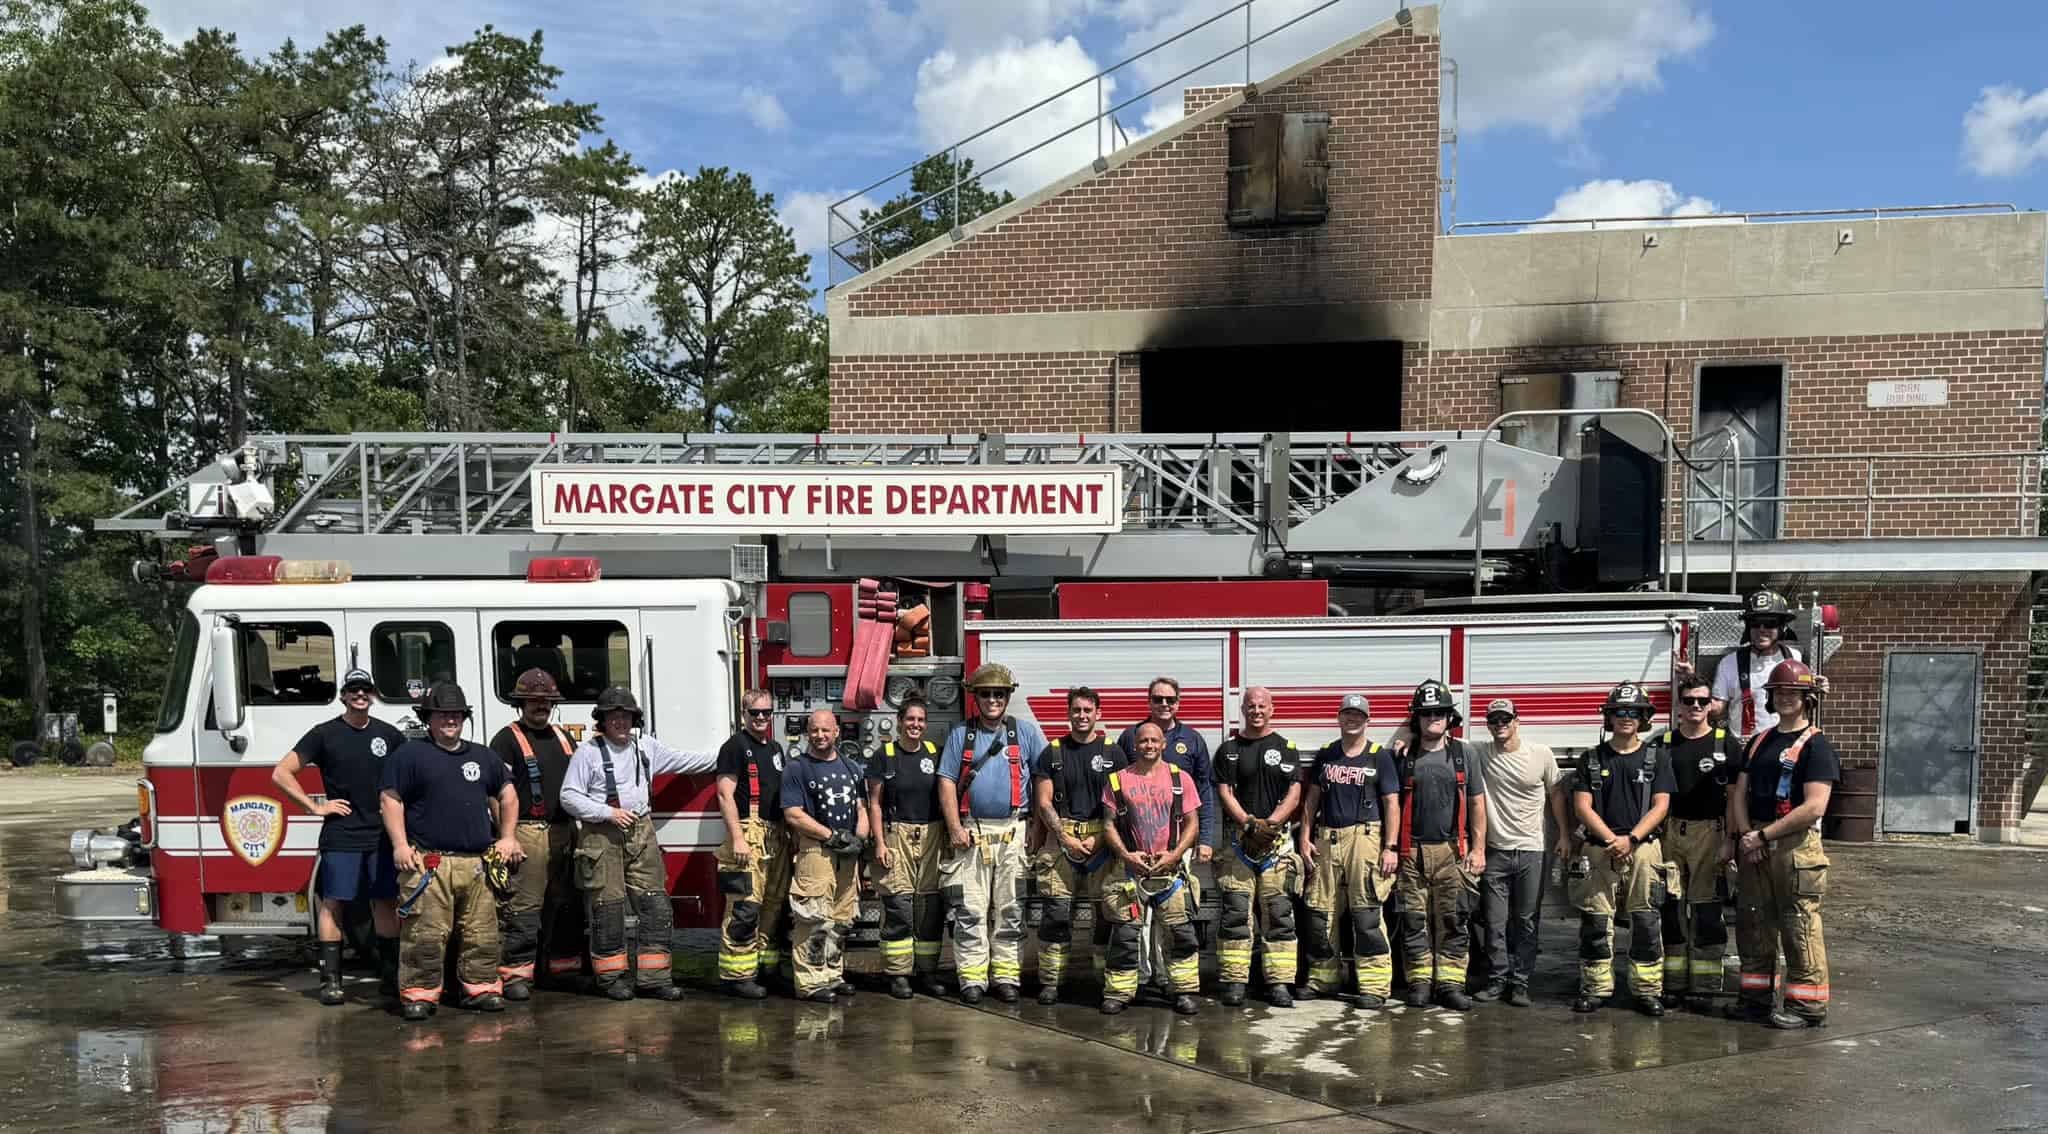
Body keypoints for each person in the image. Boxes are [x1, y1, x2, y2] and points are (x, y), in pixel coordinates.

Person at [558, 686, 715, 1002]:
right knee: (608, 909)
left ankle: (654, 979)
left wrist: (728, 755)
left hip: (641, 832)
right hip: (601, 834)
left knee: (656, 906)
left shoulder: (646, 747)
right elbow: (568, 796)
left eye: (625, 716)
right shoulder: (587, 754)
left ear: (634, 719)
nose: (620, 721)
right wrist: (608, 812)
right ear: (602, 720)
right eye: (613, 716)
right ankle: (611, 979)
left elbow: (688, 761)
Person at [377, 682, 522, 1021]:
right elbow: (390, 799)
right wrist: (399, 844)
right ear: (428, 718)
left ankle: (481, 989)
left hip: (477, 865)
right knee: (425, 934)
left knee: (482, 933)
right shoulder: (410, 756)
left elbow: (508, 795)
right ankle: (419, 995)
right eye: (442, 714)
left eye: (456, 714)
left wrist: (508, 837)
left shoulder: (483, 756)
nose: (450, 720)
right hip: (430, 863)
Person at [270, 668, 407, 1006]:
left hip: (380, 834)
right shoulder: (324, 734)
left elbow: (409, 778)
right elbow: (281, 772)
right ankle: (331, 981)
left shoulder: (389, 735)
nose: (360, 695)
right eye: (353, 690)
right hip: (342, 833)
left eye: (366, 690)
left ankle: (391, 979)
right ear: (343, 695)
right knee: (334, 903)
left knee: (386, 903)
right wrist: (314, 807)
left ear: (373, 695)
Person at [1727, 658, 1839, 1030]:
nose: (1786, 698)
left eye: (1794, 692)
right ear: (1770, 698)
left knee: (1798, 925)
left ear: (1808, 698)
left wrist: (1763, 836)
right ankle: (1755, 1000)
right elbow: (1739, 793)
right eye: (1779, 692)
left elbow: (1814, 806)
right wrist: (1747, 835)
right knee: (1753, 922)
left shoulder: (1817, 746)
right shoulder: (1759, 741)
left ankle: (1807, 1006)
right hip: (1755, 840)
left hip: (1793, 847)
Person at [937, 663, 1049, 1004]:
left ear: (1008, 696)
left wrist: (1038, 829)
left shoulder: (1026, 733)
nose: (992, 700)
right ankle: (972, 977)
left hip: (1014, 832)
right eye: (985, 694)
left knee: (1011, 909)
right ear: (975, 698)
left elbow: (1045, 781)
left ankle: (1006, 976)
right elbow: (945, 781)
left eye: (999, 694)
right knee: (969, 909)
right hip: (972, 834)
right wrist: (955, 826)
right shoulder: (961, 735)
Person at [1568, 682, 1675, 1017]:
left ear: (1643, 718)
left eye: (1633, 712)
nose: (1625, 718)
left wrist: (1631, 839)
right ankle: (1596, 988)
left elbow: (1661, 806)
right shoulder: (1591, 759)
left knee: (1646, 921)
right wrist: (1613, 841)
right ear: (1608, 718)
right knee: (1596, 921)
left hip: (1643, 849)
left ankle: (1646, 991)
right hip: (1599, 850)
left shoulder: (1658, 758)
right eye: (1619, 713)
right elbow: (1582, 806)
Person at [1296, 693, 1401, 1008]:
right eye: (1347, 714)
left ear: (1367, 720)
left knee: (1366, 912)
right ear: (1339, 718)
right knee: (1320, 911)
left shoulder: (1379, 756)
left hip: (1365, 838)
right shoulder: (1328, 754)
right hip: (1327, 838)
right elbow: (1311, 798)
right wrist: (1304, 835)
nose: (1352, 719)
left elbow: (1391, 803)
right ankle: (1323, 979)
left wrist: (1390, 847)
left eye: (1359, 714)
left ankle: (1374, 986)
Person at [485, 668, 585, 999]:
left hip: (564, 831)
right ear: (521, 704)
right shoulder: (506, 739)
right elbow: (496, 794)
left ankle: (558, 969)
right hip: (527, 831)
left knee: (564, 903)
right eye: (533, 701)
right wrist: (506, 836)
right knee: (524, 907)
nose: (540, 706)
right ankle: (516, 976)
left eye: (546, 701)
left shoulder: (563, 737)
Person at [1467, 699, 1567, 1007]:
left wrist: (1564, 834)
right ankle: (1497, 979)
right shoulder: (1480, 752)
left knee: (1526, 920)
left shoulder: (1541, 755)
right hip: (1495, 852)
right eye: (1494, 720)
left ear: (1517, 721)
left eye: (1505, 719)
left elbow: (1556, 794)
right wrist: (1404, 735)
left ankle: (1520, 983)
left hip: (1532, 851)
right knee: (1495, 922)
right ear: (1488, 724)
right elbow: (1440, 736)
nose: (1500, 724)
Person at [1394, 680, 1487, 1010]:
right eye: (1426, 713)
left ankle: (1450, 984)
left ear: (1450, 717)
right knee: (1413, 919)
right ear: (1416, 718)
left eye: (1439, 713)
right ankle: (1419, 981)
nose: (1433, 718)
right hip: (1411, 853)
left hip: (1453, 851)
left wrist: (1479, 849)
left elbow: (1476, 803)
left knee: (1454, 918)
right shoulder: (1402, 755)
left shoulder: (1465, 754)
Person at [1099, 721, 1203, 1016]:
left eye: (1154, 740)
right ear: (1134, 745)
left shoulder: (1181, 779)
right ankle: (1119, 992)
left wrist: (1175, 855)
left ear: (1163, 744)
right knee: (1125, 935)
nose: (1148, 745)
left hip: (1169, 871)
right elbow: (1108, 824)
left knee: (1180, 932)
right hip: (1130, 871)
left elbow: (1193, 822)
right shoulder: (1117, 780)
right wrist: (1125, 855)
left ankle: (1181, 991)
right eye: (1143, 740)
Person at [1030, 687, 1127, 1005]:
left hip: (1104, 838)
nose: (1082, 716)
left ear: (1098, 713)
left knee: (1106, 912)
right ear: (1068, 713)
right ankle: (1051, 982)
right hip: (1064, 838)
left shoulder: (1113, 753)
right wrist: (1064, 837)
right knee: (1056, 913)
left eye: (1088, 710)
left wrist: (1100, 838)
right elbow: (1043, 803)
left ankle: (1103, 979)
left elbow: (1121, 802)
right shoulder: (1053, 753)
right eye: (1076, 710)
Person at [1656, 670, 1744, 1011]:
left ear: (1711, 705)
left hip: (1712, 832)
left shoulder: (1726, 742)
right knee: (1670, 908)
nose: (1695, 706)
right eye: (1689, 701)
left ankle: (1705, 986)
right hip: (1670, 832)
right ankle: (1674, 983)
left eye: (1702, 701)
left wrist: (1731, 840)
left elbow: (1737, 794)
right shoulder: (1663, 744)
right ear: (1679, 705)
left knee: (1706, 908)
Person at [1214, 686, 1306, 1008]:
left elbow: (1295, 792)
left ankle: (1279, 983)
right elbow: (1224, 792)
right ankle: (1234, 981)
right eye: (1250, 706)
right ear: (1243, 709)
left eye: (1262, 706)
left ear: (1272, 709)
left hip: (1276, 845)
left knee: (1279, 913)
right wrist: (1249, 824)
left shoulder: (1286, 747)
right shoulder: (1228, 749)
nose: (1256, 711)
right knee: (1236, 912)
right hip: (1239, 844)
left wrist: (1271, 825)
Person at [782, 710, 870, 1004]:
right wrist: (830, 836)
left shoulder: (853, 768)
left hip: (847, 855)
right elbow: (793, 814)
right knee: (813, 918)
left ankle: (833, 973)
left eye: (826, 730)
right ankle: (810, 982)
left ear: (837, 733)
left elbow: (861, 809)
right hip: (816, 851)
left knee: (842, 919)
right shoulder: (797, 768)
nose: (820, 735)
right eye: (815, 730)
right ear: (808, 733)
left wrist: (859, 838)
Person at [714, 689, 792, 1000]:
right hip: (749, 833)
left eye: (766, 712)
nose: (761, 718)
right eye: (754, 713)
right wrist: (737, 838)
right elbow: (724, 794)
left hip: (775, 835)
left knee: (773, 906)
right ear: (743, 714)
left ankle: (765, 969)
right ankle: (736, 976)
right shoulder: (734, 747)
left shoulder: (774, 748)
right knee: (744, 907)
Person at [869, 696, 948, 999]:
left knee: (929, 907)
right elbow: (874, 804)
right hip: (896, 834)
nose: (916, 725)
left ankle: (927, 972)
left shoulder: (934, 753)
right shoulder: (884, 756)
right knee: (899, 905)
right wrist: (879, 842)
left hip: (931, 835)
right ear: (900, 721)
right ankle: (899, 975)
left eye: (921, 720)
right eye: (910, 719)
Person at [1116, 677, 1217, 867]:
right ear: (1149, 702)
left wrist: (1205, 839)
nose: (1164, 704)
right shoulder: (1130, 737)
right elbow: (1115, 791)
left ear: (1178, 703)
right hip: (1134, 847)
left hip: (1180, 844)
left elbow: (1204, 791)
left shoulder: (1192, 739)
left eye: (1170, 700)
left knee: (1176, 895)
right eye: (1158, 699)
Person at [1712, 589, 1805, 740]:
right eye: (1755, 623)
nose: (1761, 629)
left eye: (1769, 623)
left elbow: (1803, 701)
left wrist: (1818, 688)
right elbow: (1717, 709)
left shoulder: (1794, 658)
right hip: (1743, 747)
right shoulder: (1729, 663)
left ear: (1782, 627)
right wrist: (1690, 681)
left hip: (1783, 743)